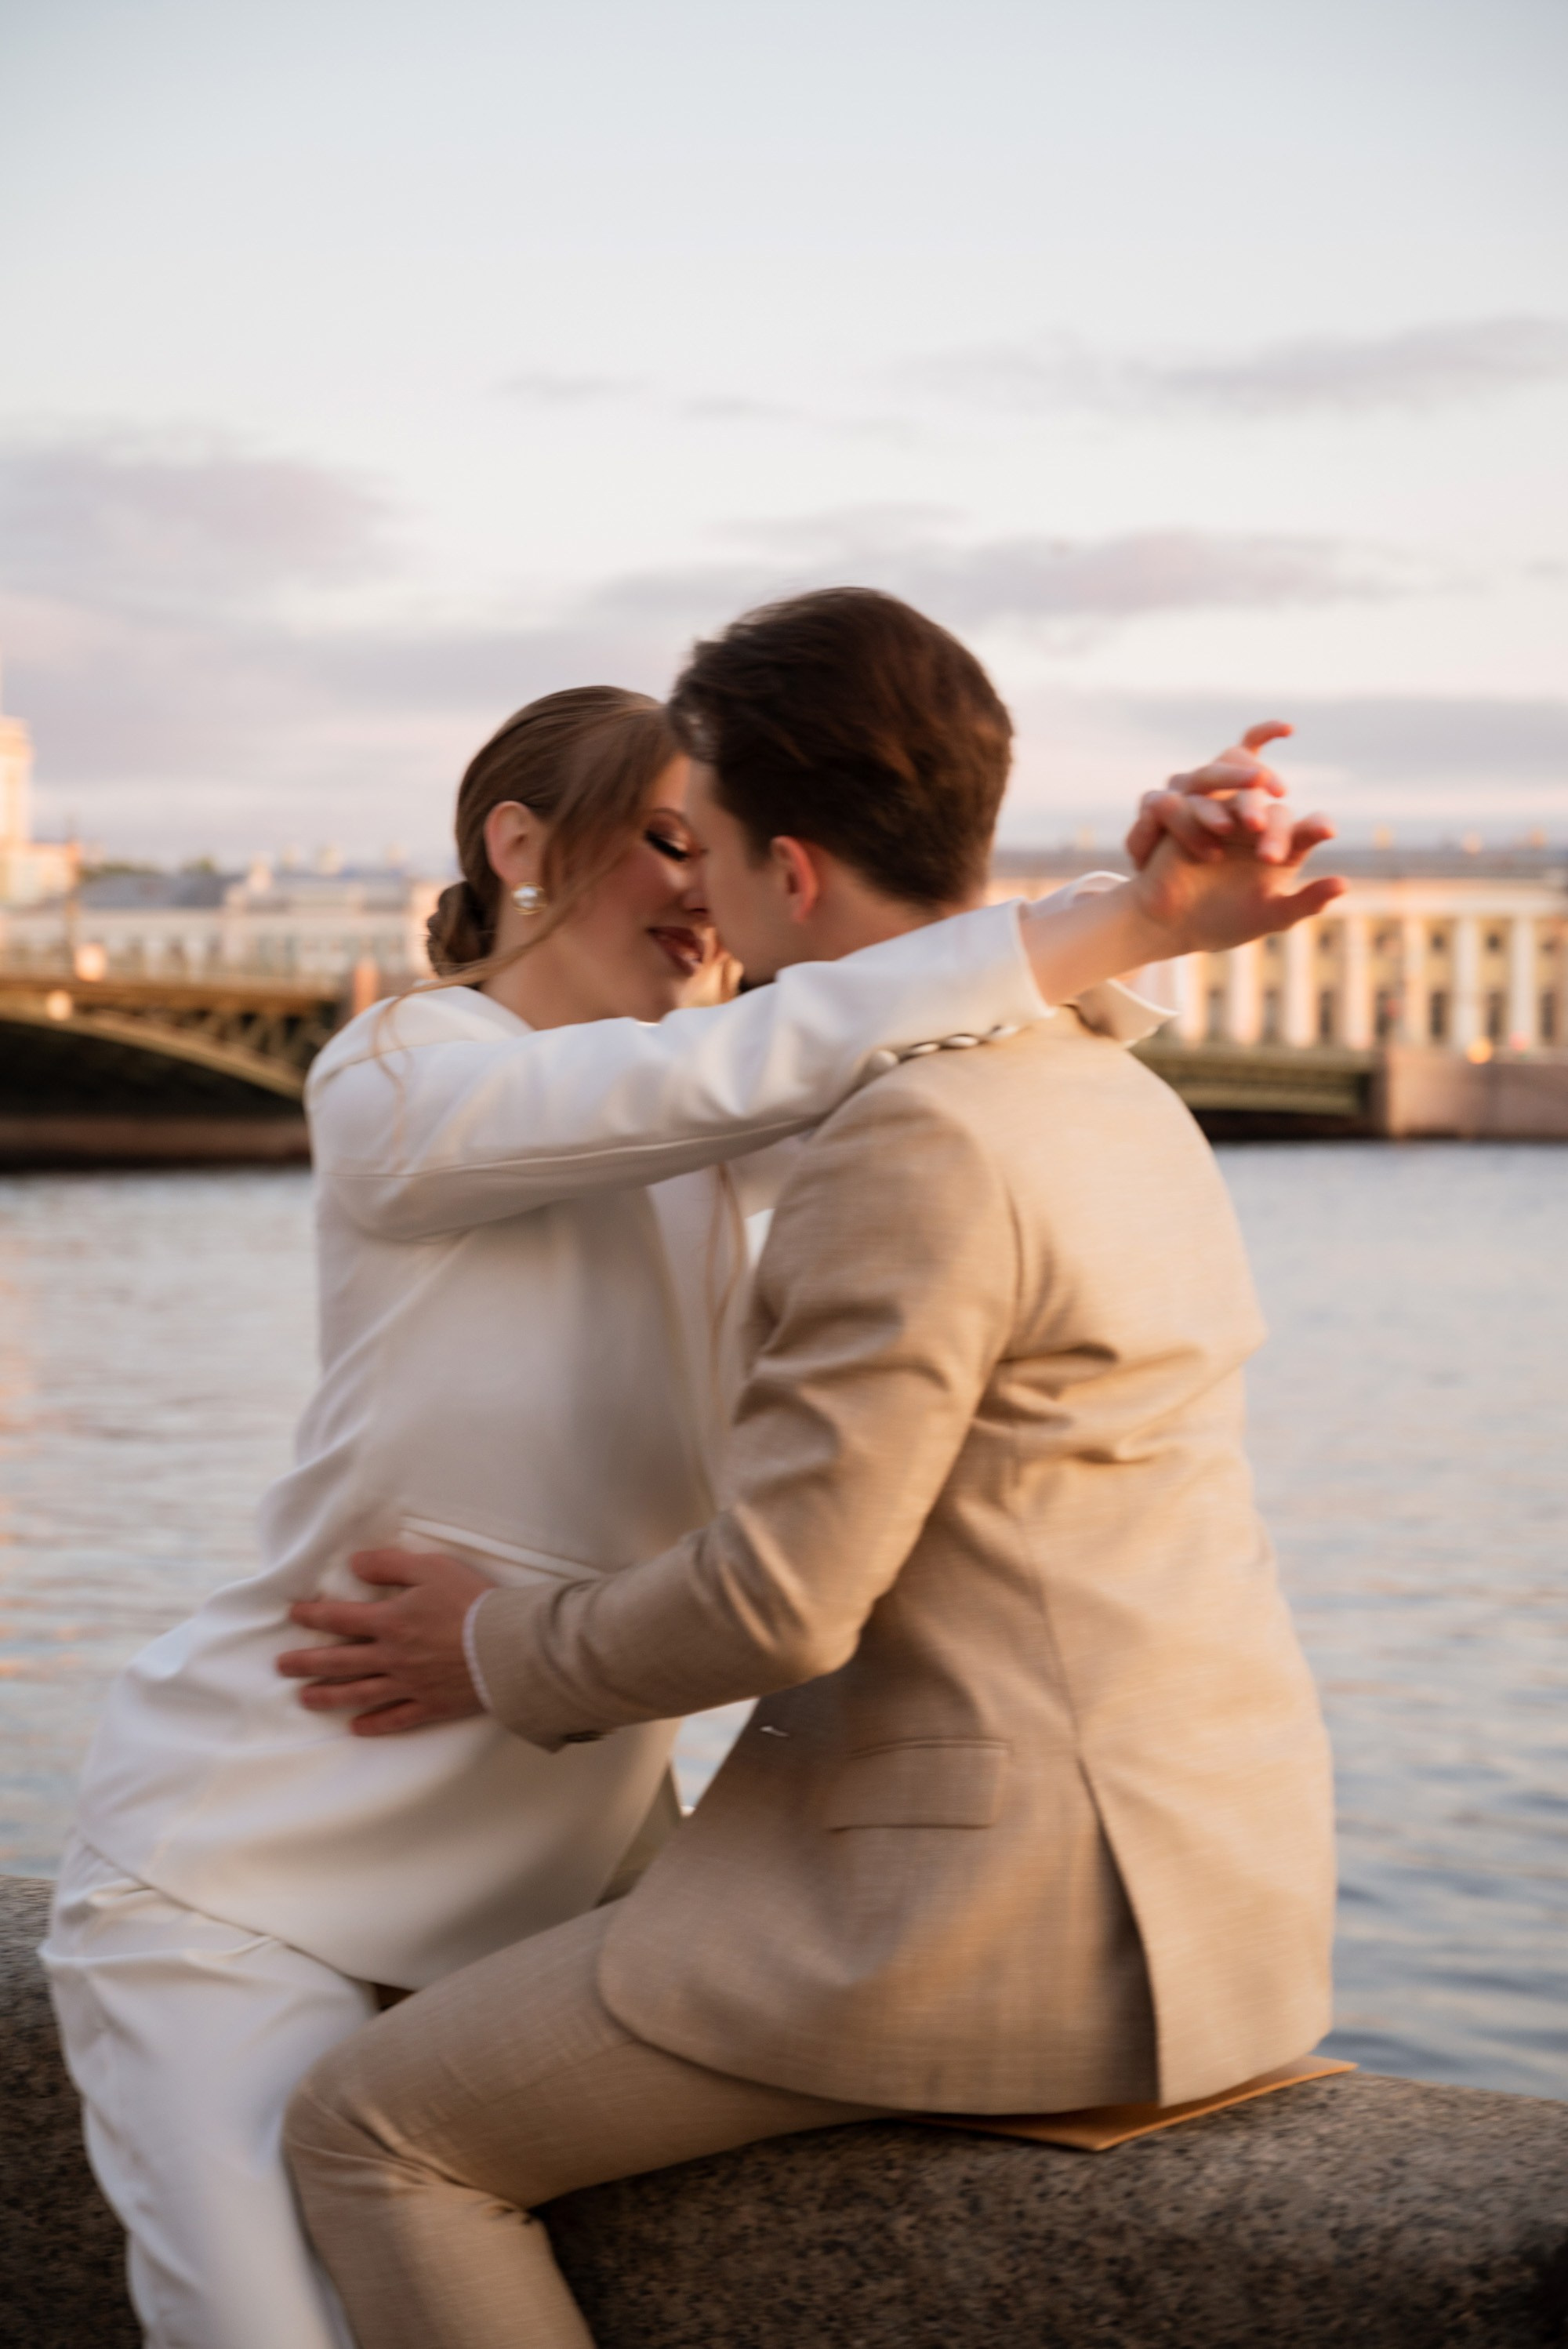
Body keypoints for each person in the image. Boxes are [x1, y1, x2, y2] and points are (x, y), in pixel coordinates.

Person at [42, 663, 1305, 2349]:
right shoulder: (405, 1079)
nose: (702, 890)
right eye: (662, 838)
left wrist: (1162, 896)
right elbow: (775, 1050)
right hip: (246, 1864)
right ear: (518, 844)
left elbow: (932, 1065)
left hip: (554, 1878)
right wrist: (1122, 913)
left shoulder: (717, 1131)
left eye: (710, 845)